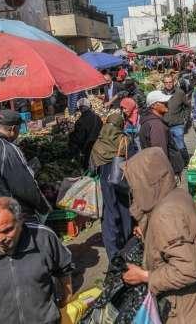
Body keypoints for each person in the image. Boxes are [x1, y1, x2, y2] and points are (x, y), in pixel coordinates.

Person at [122, 148, 196, 323]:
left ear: (147, 183)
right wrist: (148, 232)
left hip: (189, 314)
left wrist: (144, 276)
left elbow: (188, 269)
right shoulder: (177, 195)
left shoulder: (165, 215)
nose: (133, 191)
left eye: (135, 185)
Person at [0, 197, 73, 323]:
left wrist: (67, 297)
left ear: (21, 220)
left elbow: (64, 268)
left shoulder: (44, 237)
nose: (0, 239)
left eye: (7, 230)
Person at [0, 110, 51, 235]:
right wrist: (43, 207)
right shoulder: (7, 149)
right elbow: (25, 187)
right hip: (4, 218)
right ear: (13, 129)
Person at [90, 113, 132, 259]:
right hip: (122, 182)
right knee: (125, 211)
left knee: (109, 215)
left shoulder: (98, 143)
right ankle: (127, 245)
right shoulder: (125, 140)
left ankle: (113, 253)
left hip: (105, 185)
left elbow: (91, 168)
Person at [139, 91, 185, 176]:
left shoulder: (151, 121)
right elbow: (160, 153)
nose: (167, 103)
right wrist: (165, 174)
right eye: (163, 102)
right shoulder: (156, 125)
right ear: (153, 106)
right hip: (162, 173)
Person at [162, 74, 192, 165]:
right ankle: (174, 162)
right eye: (166, 82)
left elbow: (187, 106)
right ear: (163, 83)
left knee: (180, 144)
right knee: (169, 145)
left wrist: (186, 117)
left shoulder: (180, 93)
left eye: (170, 82)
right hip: (165, 124)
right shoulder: (160, 94)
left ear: (174, 82)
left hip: (177, 124)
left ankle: (186, 161)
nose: (168, 84)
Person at [69, 98, 103, 170]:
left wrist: (71, 135)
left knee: (89, 171)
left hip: (88, 151)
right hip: (99, 150)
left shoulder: (80, 122)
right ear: (89, 107)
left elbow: (79, 139)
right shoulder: (98, 118)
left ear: (80, 109)